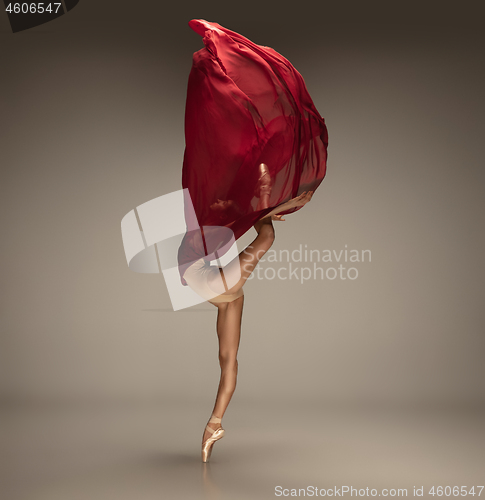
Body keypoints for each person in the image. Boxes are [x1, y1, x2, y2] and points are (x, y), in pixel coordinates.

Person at [177, 20, 328, 462]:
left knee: (229, 361)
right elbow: (263, 228)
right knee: (228, 359)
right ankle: (214, 423)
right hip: (208, 276)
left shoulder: (231, 292)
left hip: (204, 277)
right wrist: (283, 200)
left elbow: (264, 229)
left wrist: (281, 203)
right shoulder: (233, 284)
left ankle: (214, 425)